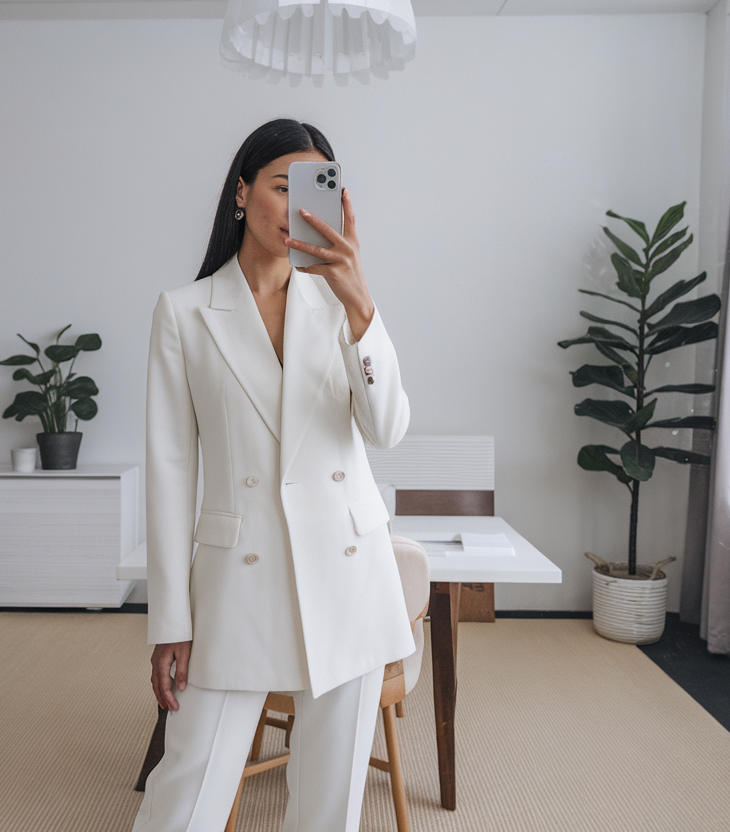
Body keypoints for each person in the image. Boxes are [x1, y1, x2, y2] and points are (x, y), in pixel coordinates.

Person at [133, 118, 414, 832]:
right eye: (281, 186)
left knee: (328, 809)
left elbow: (387, 430)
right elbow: (169, 476)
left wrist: (359, 301)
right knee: (186, 793)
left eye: (314, 190)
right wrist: (170, 620)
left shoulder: (342, 309)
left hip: (347, 579)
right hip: (239, 584)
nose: (294, 207)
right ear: (241, 193)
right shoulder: (185, 314)